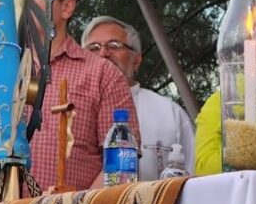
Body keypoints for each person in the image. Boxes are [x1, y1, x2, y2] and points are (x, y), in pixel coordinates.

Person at [28, 0, 139, 191]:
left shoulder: (103, 74)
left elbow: (121, 165)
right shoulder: (2, 70)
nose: (25, 3)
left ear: (67, 7)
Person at [81, 16, 196, 180]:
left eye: (114, 45)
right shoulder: (70, 110)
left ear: (136, 60)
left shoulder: (170, 113)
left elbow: (195, 178)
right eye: (93, 48)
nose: (103, 53)